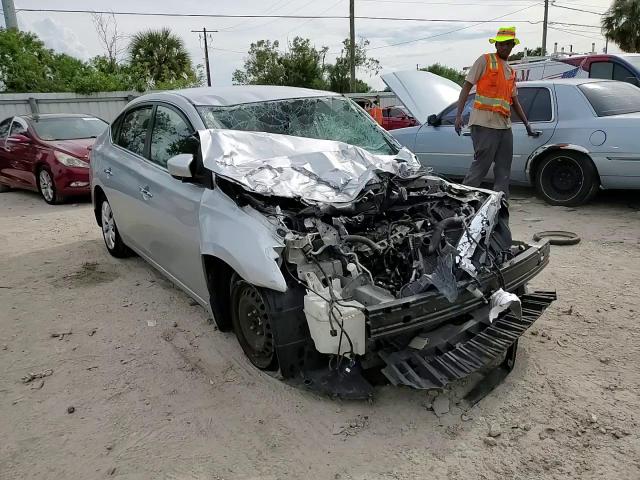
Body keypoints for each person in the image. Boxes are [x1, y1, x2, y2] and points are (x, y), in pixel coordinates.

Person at [454, 26, 539, 197]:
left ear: (512, 46)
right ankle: (462, 202)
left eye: (508, 44)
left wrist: (527, 124)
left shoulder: (510, 71)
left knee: (503, 169)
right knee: (481, 166)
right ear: (496, 46)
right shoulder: (485, 61)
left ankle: (500, 204)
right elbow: (466, 88)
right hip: (484, 124)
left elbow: (514, 101)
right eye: (501, 44)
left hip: (504, 127)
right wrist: (458, 115)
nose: (504, 48)